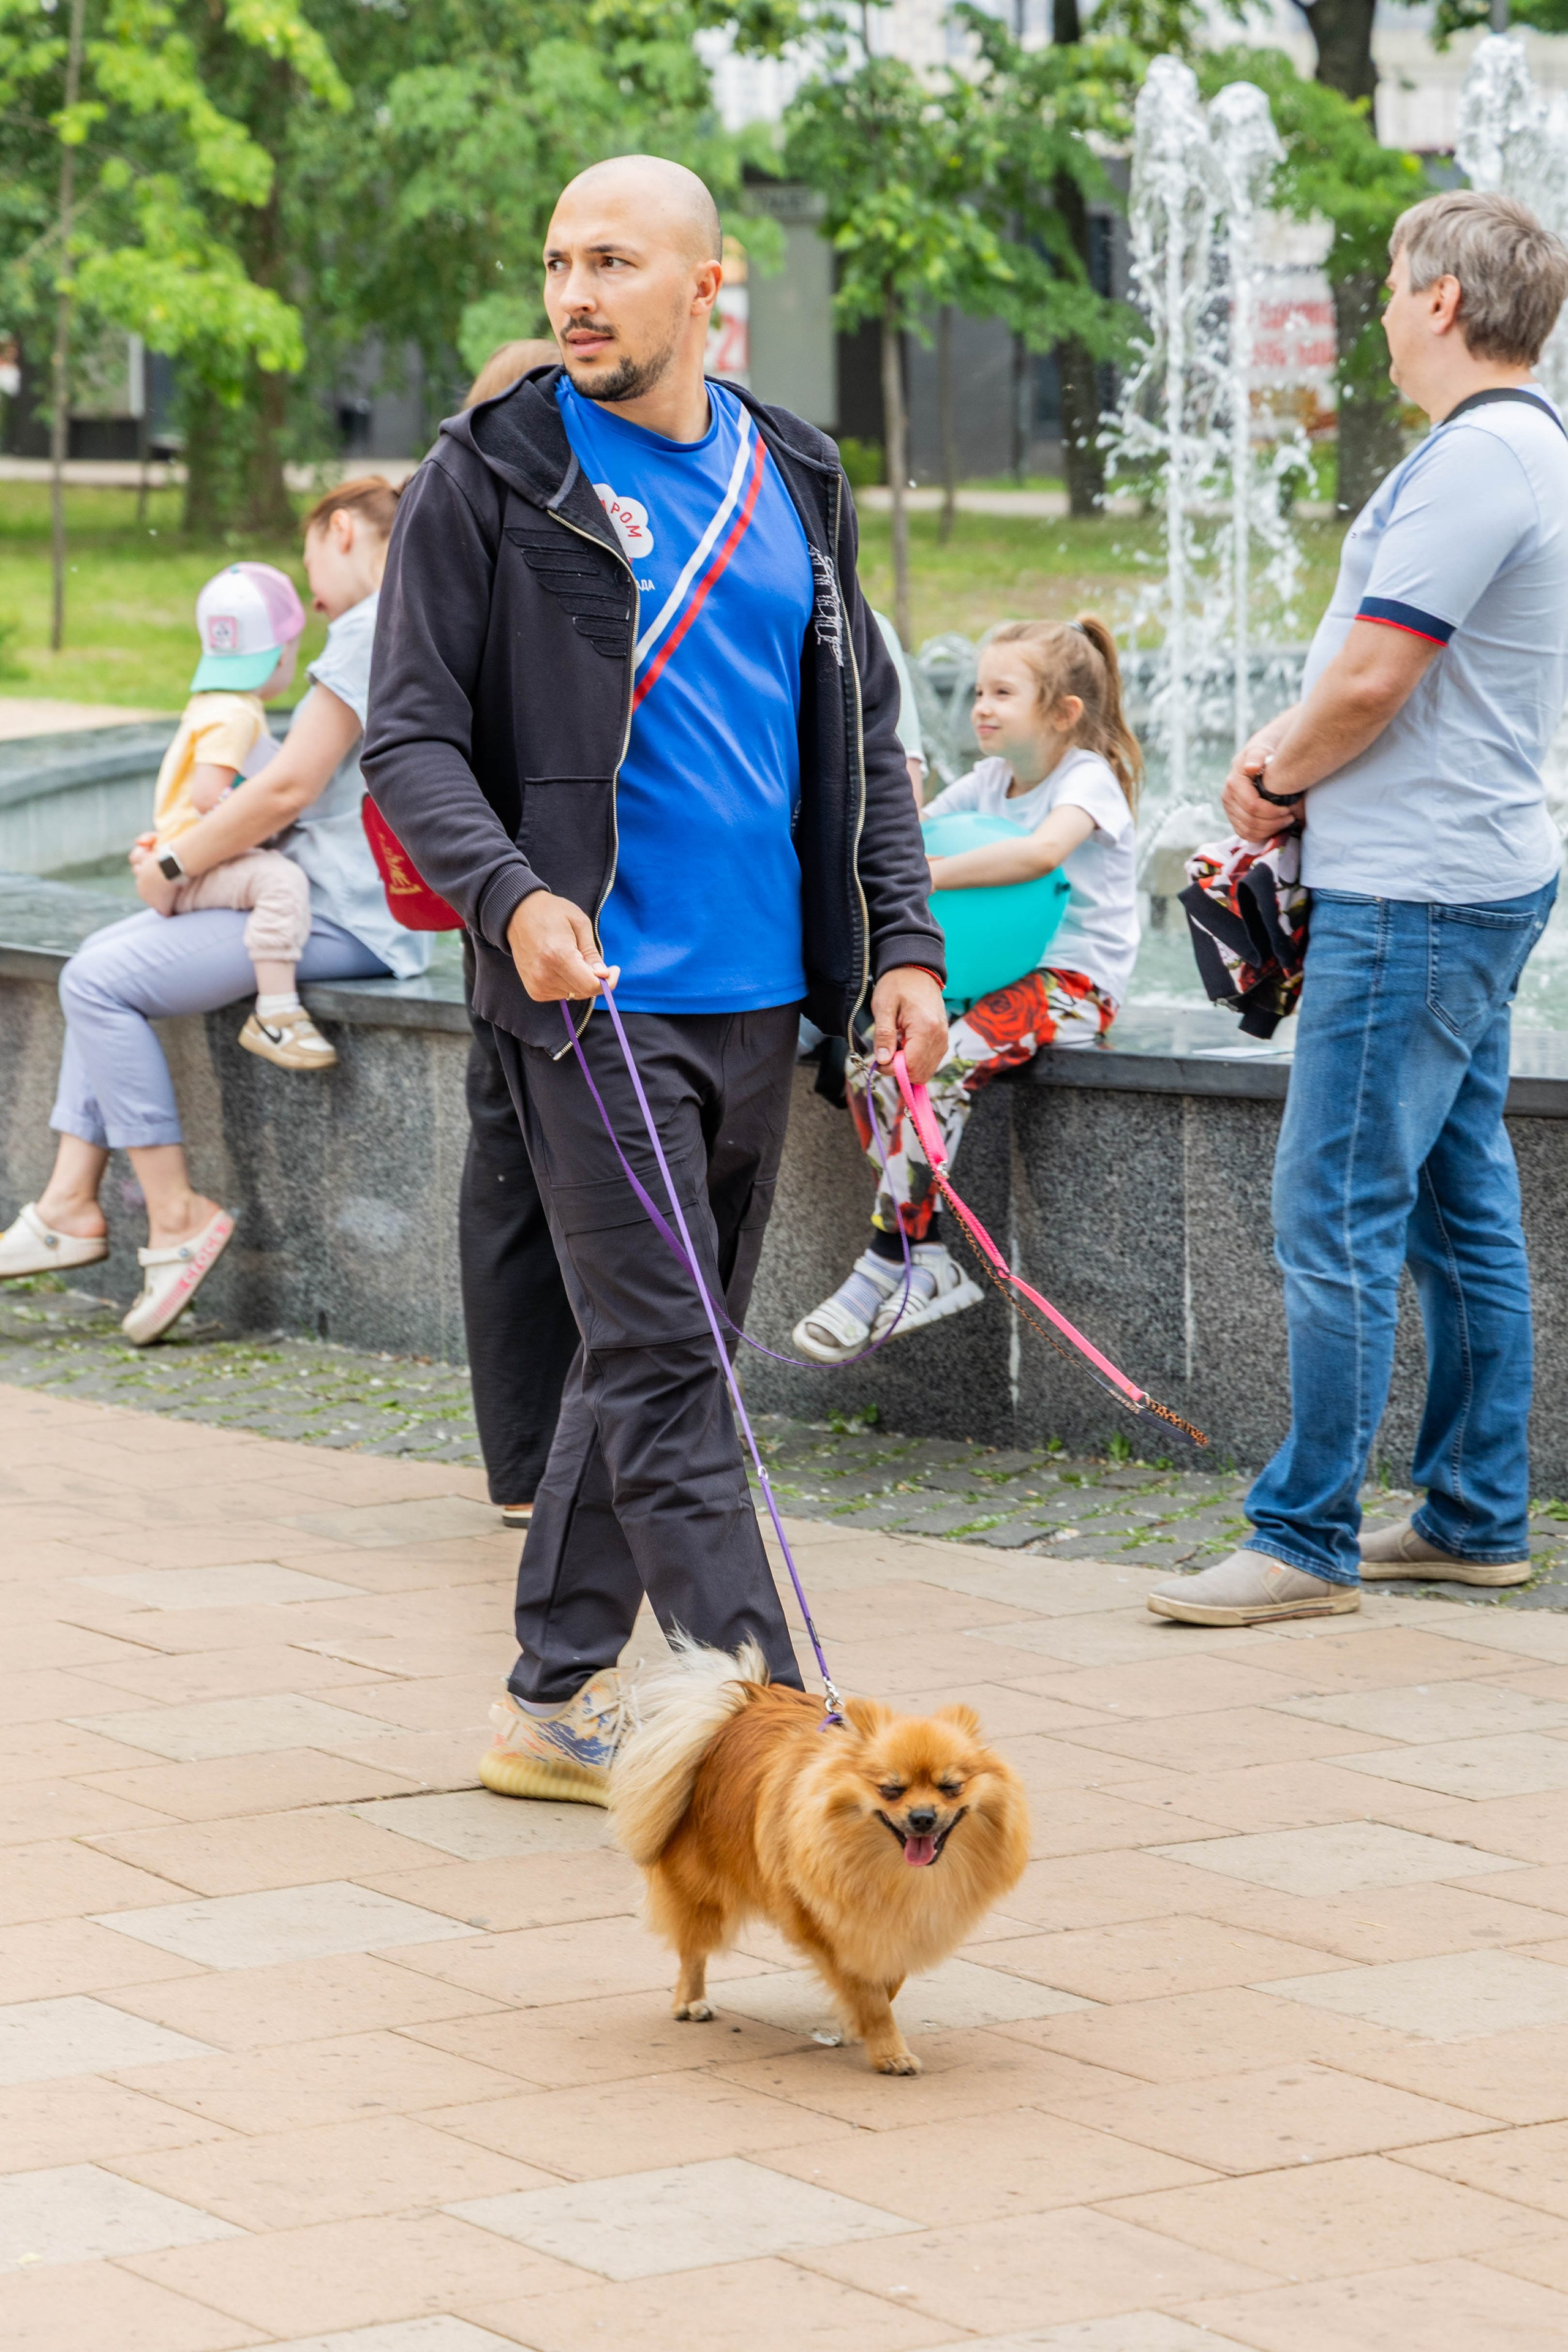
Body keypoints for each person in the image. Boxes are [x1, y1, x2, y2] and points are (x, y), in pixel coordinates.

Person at [363, 153, 947, 1805]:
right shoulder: (492, 474)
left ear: (708, 286)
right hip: (587, 997)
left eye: (612, 259)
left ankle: (554, 1697)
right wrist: (511, 900)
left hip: (762, 1002)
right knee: (682, 1354)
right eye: (557, 259)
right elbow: (410, 740)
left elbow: (864, 744)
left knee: (647, 1353)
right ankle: (784, 1743)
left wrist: (902, 944)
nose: (572, 291)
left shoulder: (798, 474)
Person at [1150, 189, 1568, 1629]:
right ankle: (1468, 1512)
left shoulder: (1475, 461)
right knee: (1457, 1209)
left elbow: (1376, 678)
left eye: (1391, 283)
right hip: (1462, 874)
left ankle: (1302, 1533)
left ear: (1443, 301)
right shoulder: (1521, 450)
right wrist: (1292, 751)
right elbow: (1386, 669)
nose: (1380, 308)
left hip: (1411, 894)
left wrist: (1267, 777)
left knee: (1328, 1208)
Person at [0, 476, 428, 1345]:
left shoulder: (366, 631)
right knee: (108, 956)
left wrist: (175, 860)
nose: (308, 592)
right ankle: (68, 1202)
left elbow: (289, 787)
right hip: (347, 903)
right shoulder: (404, 623)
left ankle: (175, 1214)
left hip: (344, 914)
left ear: (341, 529)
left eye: (310, 560)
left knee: (101, 978)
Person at [795, 614, 1142, 1362]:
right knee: (877, 1062)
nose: (979, 706)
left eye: (1002, 693)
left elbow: (1039, 856)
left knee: (945, 1063)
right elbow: (910, 830)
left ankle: (889, 1258)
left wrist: (930, 874)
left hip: (1073, 984)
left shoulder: (1088, 776)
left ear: (1061, 712)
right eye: (979, 690)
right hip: (1000, 977)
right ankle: (928, 1258)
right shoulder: (989, 780)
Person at [456, 337, 579, 1528]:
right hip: (531, 911)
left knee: (505, 1180)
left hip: (499, 906)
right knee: (520, 1177)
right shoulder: (511, 529)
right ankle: (542, 1463)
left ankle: (524, 1464)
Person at [133, 561, 339, 1072]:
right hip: (192, 865)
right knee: (280, 883)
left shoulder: (209, 701)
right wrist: (260, 823)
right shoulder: (237, 712)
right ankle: (275, 1014)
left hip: (178, 856)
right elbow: (209, 797)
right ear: (280, 655)